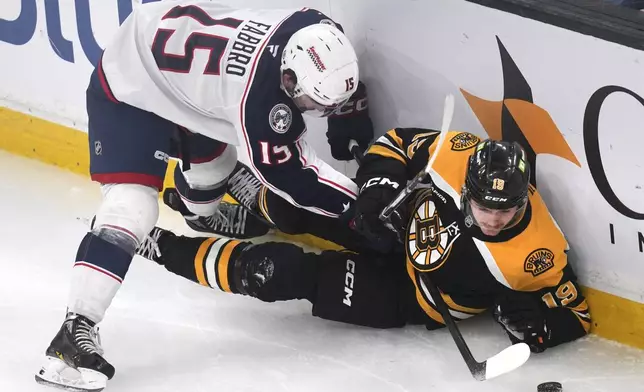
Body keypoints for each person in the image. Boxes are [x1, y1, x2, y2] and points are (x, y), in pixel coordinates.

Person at [35, 2, 373, 390]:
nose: (315, 111)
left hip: (182, 76)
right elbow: (296, 177)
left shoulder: (315, 28)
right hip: (130, 86)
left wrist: (350, 116)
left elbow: (337, 72)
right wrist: (360, 206)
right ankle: (73, 332)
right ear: (290, 77)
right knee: (134, 206)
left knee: (216, 166)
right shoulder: (260, 103)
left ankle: (199, 213)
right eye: (313, 104)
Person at [132, 129, 591, 369]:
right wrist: (377, 192)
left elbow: (579, 315)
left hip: (411, 298)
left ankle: (157, 245)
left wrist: (542, 327)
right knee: (297, 207)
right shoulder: (457, 152)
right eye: (482, 205)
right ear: (468, 184)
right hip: (393, 227)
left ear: (524, 197)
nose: (493, 219)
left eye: (506, 211)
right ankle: (245, 207)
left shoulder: (540, 252)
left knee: (277, 273)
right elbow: (396, 143)